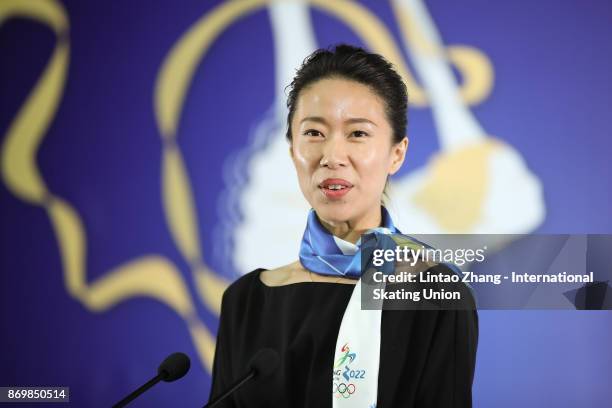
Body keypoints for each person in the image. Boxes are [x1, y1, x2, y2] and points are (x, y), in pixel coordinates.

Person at [208, 44, 478, 408]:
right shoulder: (246, 301)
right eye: (314, 133)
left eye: (357, 134)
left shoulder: (434, 295)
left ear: (396, 154)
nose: (332, 156)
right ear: (292, 152)